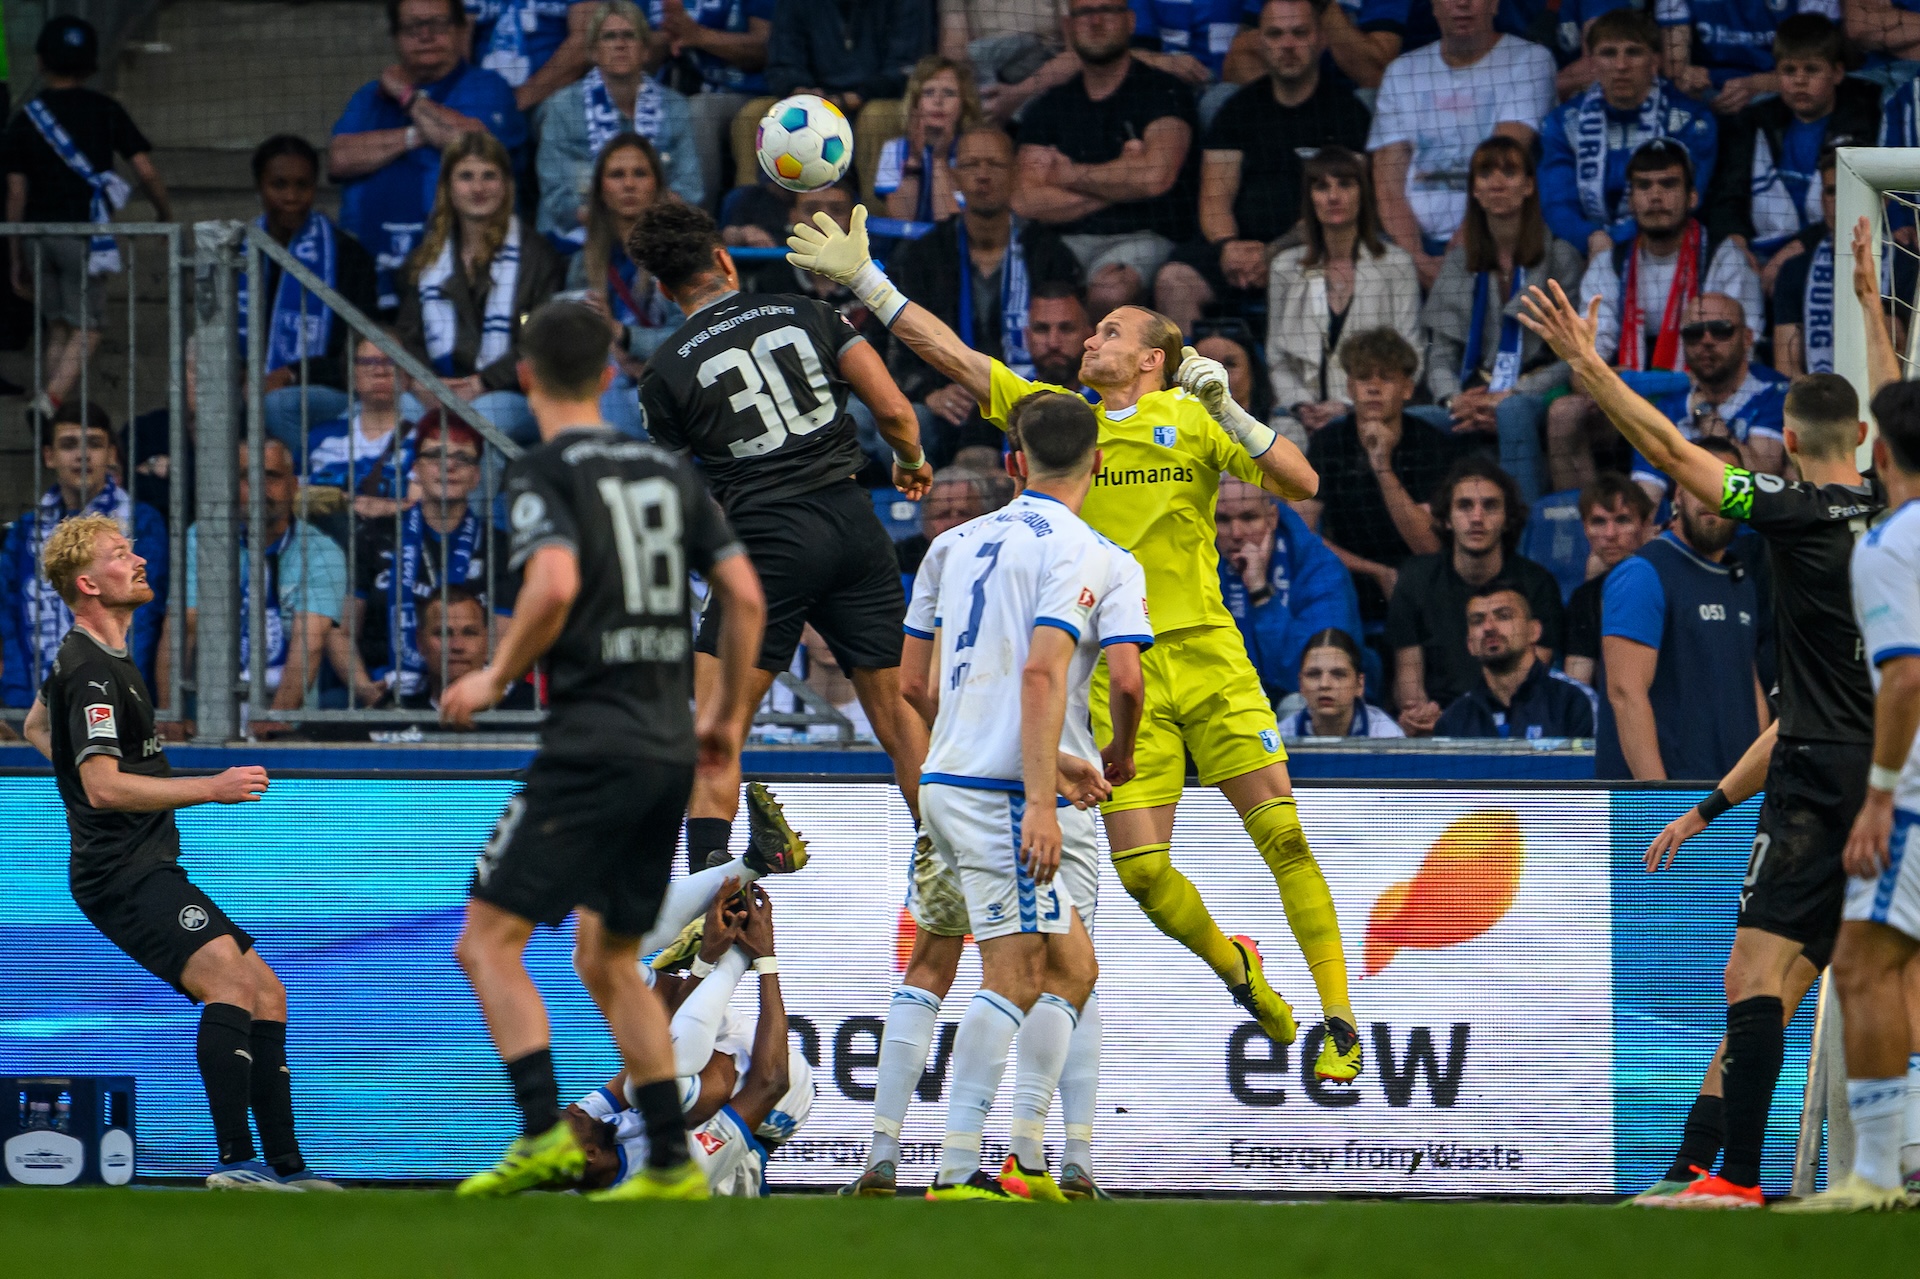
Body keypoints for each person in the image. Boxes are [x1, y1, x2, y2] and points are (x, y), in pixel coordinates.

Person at [790, 201, 1369, 1086]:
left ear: (1152, 358)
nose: (1089, 337)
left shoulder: (1197, 410)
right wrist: (867, 280)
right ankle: (1236, 967)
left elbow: (1303, 479)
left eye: (1109, 329)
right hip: (1113, 669)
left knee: (1284, 835)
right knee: (1141, 875)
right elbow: (953, 354)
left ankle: (1338, 1018)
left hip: (1209, 655)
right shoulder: (1061, 420)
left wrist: (1237, 411)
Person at [1523, 266, 1888, 1207]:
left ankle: (1739, 1180)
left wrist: (1589, 366)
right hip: (1878, 764)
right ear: (1862, 438)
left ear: (1793, 446)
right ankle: (1696, 1165)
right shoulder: (1894, 509)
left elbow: (1667, 445)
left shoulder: (1795, 515)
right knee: (1781, 984)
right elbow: (1897, 407)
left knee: (1747, 970)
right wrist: (1874, 308)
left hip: (1816, 778)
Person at [441, 300, 765, 1200]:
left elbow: (551, 581)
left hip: (590, 742)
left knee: (487, 942)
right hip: (666, 745)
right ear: (613, 375)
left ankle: (545, 1132)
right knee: (606, 956)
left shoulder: (544, 469)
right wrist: (726, 717)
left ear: (529, 378)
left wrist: (494, 672)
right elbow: (744, 595)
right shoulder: (667, 473)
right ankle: (667, 1162)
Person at [20, 515, 329, 1190]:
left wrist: (75, 774)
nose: (137, 561)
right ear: (86, 583)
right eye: (119, 554)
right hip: (121, 874)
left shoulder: (95, 659)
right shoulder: (95, 673)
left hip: (148, 865)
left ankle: (287, 1168)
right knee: (229, 984)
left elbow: (35, 724)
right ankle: (234, 1163)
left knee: (267, 989)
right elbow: (101, 788)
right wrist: (210, 788)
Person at [627, 201, 935, 878]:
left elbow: (674, 491)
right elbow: (892, 410)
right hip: (855, 526)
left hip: (765, 545)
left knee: (719, 729)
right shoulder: (811, 314)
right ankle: (951, 863)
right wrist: (910, 462)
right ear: (724, 260)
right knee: (900, 716)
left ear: (660, 286)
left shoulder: (662, 374)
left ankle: (713, 896)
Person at [911, 390, 1146, 1202]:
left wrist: (1001, 749)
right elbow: (1051, 672)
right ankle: (955, 1170)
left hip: (950, 774)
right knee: (1014, 976)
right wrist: (1044, 795)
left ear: (1014, 461)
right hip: (1003, 793)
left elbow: (917, 682)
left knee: (1073, 967)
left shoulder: (956, 541)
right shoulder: (1086, 550)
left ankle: (1027, 1162)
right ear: (1101, 464)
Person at [1789, 381, 1920, 1212]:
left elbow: (1906, 677)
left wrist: (1878, 797)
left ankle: (1875, 1172)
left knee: (1864, 963)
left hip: (1911, 792)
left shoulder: (1886, 545)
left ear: (1877, 450)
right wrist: (1876, 312)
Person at [569, 883, 812, 1197]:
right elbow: (771, 1082)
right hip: (779, 1090)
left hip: (700, 1054)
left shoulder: (584, 1139)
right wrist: (766, 958)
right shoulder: (673, 1171)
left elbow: (654, 1049)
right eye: (566, 1119)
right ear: (589, 1154)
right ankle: (738, 954)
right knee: (659, 1087)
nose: (572, 1109)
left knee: (593, 960)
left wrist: (703, 962)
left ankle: (743, 870)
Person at [1550, 137, 1761, 492]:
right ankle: (1588, 526)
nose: (1656, 196)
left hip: (1707, 397)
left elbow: (1742, 357)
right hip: (1625, 403)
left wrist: (1636, 382)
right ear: (1631, 200)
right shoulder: (1608, 265)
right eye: (1644, 186)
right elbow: (1582, 369)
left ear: (1692, 196)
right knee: (1563, 415)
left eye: (1668, 184)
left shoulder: (1723, 259)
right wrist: (1629, 386)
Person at [1153, 0, 1372, 335]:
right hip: (1236, 250)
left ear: (1321, 39)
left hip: (1313, 247)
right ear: (1259, 42)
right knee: (1174, 280)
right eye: (1275, 34)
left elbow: (1345, 206)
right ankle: (1192, 385)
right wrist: (1228, 248)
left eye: (1299, 33)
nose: (1287, 45)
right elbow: (1214, 199)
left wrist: (1274, 253)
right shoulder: (1236, 109)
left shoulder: (1348, 113)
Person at [4, 16, 172, 420]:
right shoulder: (106, 110)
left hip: (38, 235)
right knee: (89, 326)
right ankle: (50, 403)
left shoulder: (26, 118)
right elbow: (145, 170)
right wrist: (164, 213)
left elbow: (15, 191)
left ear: (41, 61)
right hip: (83, 237)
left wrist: (15, 253)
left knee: (59, 325)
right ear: (93, 66)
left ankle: (48, 413)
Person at [885, 126, 1083, 467]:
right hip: (948, 403)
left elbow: (1070, 339)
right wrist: (929, 393)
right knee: (905, 421)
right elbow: (896, 341)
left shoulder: (1049, 254)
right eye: (972, 165)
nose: (983, 175)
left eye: (995, 164)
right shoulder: (922, 256)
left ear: (1015, 172)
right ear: (955, 174)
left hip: (1027, 395)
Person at [330, 0, 527, 311]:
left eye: (437, 25)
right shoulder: (369, 97)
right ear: (396, 37)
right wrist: (417, 135)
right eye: (412, 27)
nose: (425, 36)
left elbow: (477, 148)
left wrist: (406, 97)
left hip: (462, 277)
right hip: (371, 273)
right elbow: (340, 158)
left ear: (462, 30)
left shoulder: (487, 87)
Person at [1420, 136, 1584, 507]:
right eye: (1485, 172)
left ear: (1528, 185)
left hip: (1536, 392)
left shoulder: (1561, 258)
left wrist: (1514, 395)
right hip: (1470, 398)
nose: (1497, 181)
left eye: (1509, 171)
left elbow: (1574, 357)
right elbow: (1440, 354)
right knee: (1415, 422)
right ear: (1474, 190)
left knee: (1513, 412)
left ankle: (1523, 531)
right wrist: (1453, 399)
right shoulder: (1459, 263)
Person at [1011, 0, 1200, 317]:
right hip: (1062, 241)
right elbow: (1025, 199)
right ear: (1069, 27)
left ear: (1130, 21)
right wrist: (1124, 181)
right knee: (1021, 284)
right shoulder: (1048, 107)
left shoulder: (1164, 91)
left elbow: (1155, 178)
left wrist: (1068, 176)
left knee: (1110, 292)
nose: (1096, 21)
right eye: (1084, 13)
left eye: (1108, 10)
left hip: (1145, 236)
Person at [1593, 434, 1764, 781]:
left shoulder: (1739, 581)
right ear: (1678, 493)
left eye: (1723, 485)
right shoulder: (1643, 573)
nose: (1709, 495)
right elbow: (1626, 695)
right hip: (1662, 815)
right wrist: (1662, 801)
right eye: (1697, 482)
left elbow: (1750, 687)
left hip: (1729, 806)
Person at [1364, 0, 1554, 290]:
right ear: (1433, 6)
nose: (1462, 4)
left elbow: (1504, 162)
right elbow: (1388, 183)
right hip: (1411, 249)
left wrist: (1457, 257)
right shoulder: (1401, 72)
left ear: (1495, 4)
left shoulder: (1529, 60)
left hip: (1494, 242)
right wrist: (1414, 258)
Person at [397, 133, 566, 446]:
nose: (478, 188)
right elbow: (409, 335)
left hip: (513, 394)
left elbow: (539, 340)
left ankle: (471, 498)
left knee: (483, 414)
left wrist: (484, 382)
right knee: (401, 407)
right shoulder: (425, 258)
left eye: (489, 176)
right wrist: (425, 383)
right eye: (466, 177)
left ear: (506, 184)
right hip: (440, 386)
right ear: (448, 186)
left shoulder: (539, 257)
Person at [2, 407, 168, 707]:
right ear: (49, 456)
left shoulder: (142, 523)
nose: (82, 455)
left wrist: (125, 692)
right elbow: (9, 619)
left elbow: (144, 617)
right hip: (33, 703)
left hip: (114, 701)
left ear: (112, 455)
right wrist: (17, 701)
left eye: (93, 444)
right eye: (68, 445)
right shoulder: (24, 531)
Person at [1387, 456, 1565, 735]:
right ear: (1446, 518)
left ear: (1507, 519)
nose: (1477, 517)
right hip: (1436, 729)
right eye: (1464, 505)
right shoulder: (1415, 579)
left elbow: (1528, 681)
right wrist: (1421, 714)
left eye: (1490, 505)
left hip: (1513, 724)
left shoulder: (1537, 584)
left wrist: (1462, 723)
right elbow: (1409, 681)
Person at [181, 438, 348, 733]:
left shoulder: (322, 550)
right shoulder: (204, 537)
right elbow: (182, 629)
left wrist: (273, 722)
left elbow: (308, 644)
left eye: (271, 476)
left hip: (289, 722)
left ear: (294, 484)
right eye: (246, 477)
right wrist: (175, 716)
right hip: (209, 714)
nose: (258, 489)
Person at [1296, 327, 1458, 624]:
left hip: (1420, 579)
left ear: (1408, 389)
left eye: (1386, 377)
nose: (1373, 387)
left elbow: (1428, 546)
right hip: (1349, 574)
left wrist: (1382, 466)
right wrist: (1375, 571)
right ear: (1349, 388)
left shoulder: (1432, 445)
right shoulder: (1328, 444)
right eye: (1363, 377)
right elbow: (1301, 533)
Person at [1703, 15, 1879, 288]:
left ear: (1837, 73)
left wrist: (1799, 247)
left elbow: (1859, 205)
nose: (1799, 81)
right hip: (1761, 251)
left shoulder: (1863, 122)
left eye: (1811, 70)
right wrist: (1735, 236)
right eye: (1789, 70)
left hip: (1832, 246)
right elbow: (1729, 195)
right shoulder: (1754, 122)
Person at [338, 414, 500, 708]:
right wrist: (365, 688)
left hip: (476, 699)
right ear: (415, 469)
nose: (448, 466)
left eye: (462, 458)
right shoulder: (373, 538)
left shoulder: (499, 546)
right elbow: (342, 631)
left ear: (477, 477)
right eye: (434, 455)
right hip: (386, 695)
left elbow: (504, 642)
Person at [1265, 147, 1420, 450]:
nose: (1333, 197)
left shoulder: (1396, 264)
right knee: (1278, 440)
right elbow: (1276, 358)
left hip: (1373, 411)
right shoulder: (1285, 267)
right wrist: (1301, 405)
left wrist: (1348, 404)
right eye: (1322, 186)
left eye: (1345, 184)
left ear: (1363, 193)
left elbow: (1410, 352)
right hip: (1300, 417)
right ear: (1309, 197)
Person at [1537, 8, 1716, 259]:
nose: (1621, 65)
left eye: (1633, 52)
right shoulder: (1562, 123)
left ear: (1655, 62)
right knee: (1559, 255)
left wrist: (1615, 241)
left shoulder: (1690, 120)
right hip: (1586, 249)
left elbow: (1685, 198)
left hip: (1662, 244)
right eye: (1609, 53)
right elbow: (1557, 201)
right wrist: (1590, 238)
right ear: (1591, 63)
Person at [245, 135, 385, 455]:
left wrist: (292, 373)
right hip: (246, 386)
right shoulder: (237, 251)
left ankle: (309, 483)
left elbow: (357, 353)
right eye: (279, 185)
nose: (292, 196)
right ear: (259, 186)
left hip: (324, 390)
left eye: (302, 185)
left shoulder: (348, 256)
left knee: (278, 405)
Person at [537, 1, 701, 247]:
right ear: (592, 52)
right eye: (609, 37)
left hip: (657, 238)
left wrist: (637, 220)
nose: (620, 44)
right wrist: (616, 222)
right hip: (577, 239)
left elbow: (690, 189)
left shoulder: (675, 106)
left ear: (646, 50)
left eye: (629, 36)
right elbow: (557, 197)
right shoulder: (561, 108)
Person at [736, 0, 932, 199]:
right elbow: (781, 62)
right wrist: (799, 89)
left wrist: (854, 97)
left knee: (876, 117)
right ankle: (750, 211)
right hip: (814, 100)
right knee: (753, 115)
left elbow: (907, 68)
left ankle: (873, 217)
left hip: (878, 97)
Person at [566, 134, 683, 437]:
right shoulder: (583, 262)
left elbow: (693, 333)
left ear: (657, 185)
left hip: (670, 383)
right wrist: (610, 350)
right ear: (601, 191)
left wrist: (623, 335)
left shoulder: (682, 255)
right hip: (607, 380)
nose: (629, 184)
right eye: (617, 175)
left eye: (640, 174)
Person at [1215, 475, 1363, 702]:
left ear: (1272, 517)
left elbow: (1310, 674)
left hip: (1307, 705)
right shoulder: (1199, 563)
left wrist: (1260, 592)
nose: (1236, 533)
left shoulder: (1321, 569)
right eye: (1222, 520)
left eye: (1249, 517)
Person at [1633, 293, 1787, 496]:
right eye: (1694, 333)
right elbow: (1645, 500)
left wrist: (1704, 412)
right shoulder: (1665, 409)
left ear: (1747, 338)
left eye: (1721, 330)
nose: (1706, 340)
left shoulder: (1776, 392)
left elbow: (1760, 481)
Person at [1432, 581, 1595, 739]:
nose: (1488, 627)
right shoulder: (1455, 718)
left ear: (1534, 631)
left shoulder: (1575, 702)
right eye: (1478, 621)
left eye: (1503, 616)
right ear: (1470, 644)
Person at [299, 335, 416, 514]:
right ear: (351, 375)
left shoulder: (423, 440)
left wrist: (387, 508)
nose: (380, 371)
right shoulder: (320, 437)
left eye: (392, 361)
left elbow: (429, 509)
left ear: (407, 376)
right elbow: (292, 494)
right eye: (368, 362)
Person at [1657, 0, 1841, 113]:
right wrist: (1687, 77)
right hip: (1709, 92)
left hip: (1779, 89)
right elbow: (1675, 65)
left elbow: (1817, 64)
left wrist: (1758, 84)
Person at [1561, 473, 1654, 687]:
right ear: (1585, 529)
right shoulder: (1583, 599)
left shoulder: (1670, 584)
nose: (1610, 534)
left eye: (1622, 520)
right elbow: (1578, 685)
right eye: (1599, 522)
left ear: (1646, 525)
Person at [875, 55, 983, 225]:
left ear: (964, 104)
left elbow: (949, 224)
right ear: (916, 103)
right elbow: (902, 222)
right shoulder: (894, 149)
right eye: (928, 92)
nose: (938, 101)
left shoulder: (975, 153)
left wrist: (939, 159)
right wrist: (913, 160)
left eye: (949, 93)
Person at [396, 585, 538, 712]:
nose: (457, 646)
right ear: (420, 642)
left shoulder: (526, 705)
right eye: (444, 633)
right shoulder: (398, 707)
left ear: (487, 641)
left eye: (470, 633)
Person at [1281, 627, 1403, 739]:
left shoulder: (1387, 735)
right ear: (1301, 684)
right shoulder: (1281, 736)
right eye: (1314, 674)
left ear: (1359, 684)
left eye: (1338, 674)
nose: (1324, 684)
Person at [895, 467, 995, 577]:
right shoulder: (902, 559)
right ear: (925, 521)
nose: (953, 523)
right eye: (943, 515)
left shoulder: (1002, 556)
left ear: (985, 516)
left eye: (964, 514)